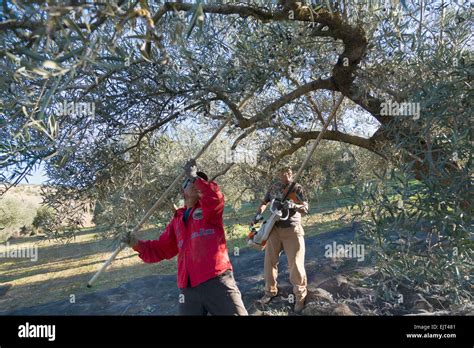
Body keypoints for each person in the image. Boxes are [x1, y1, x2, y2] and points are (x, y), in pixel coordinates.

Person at [123, 159, 247, 315]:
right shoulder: (177, 220)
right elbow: (161, 248)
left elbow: (215, 196)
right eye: (191, 182)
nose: (197, 183)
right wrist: (136, 244)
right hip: (188, 289)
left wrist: (194, 177)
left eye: (200, 180)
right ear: (183, 191)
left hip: (217, 280)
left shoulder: (210, 210)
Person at [251, 167, 309, 313]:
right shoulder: (273, 187)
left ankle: (300, 297)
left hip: (292, 230)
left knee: (295, 264)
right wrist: (257, 215)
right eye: (283, 172)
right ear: (278, 173)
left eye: (289, 172)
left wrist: (294, 205)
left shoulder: (297, 188)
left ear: (292, 173)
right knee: (269, 262)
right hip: (274, 229)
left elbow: (306, 208)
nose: (286, 175)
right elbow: (265, 202)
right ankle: (270, 291)